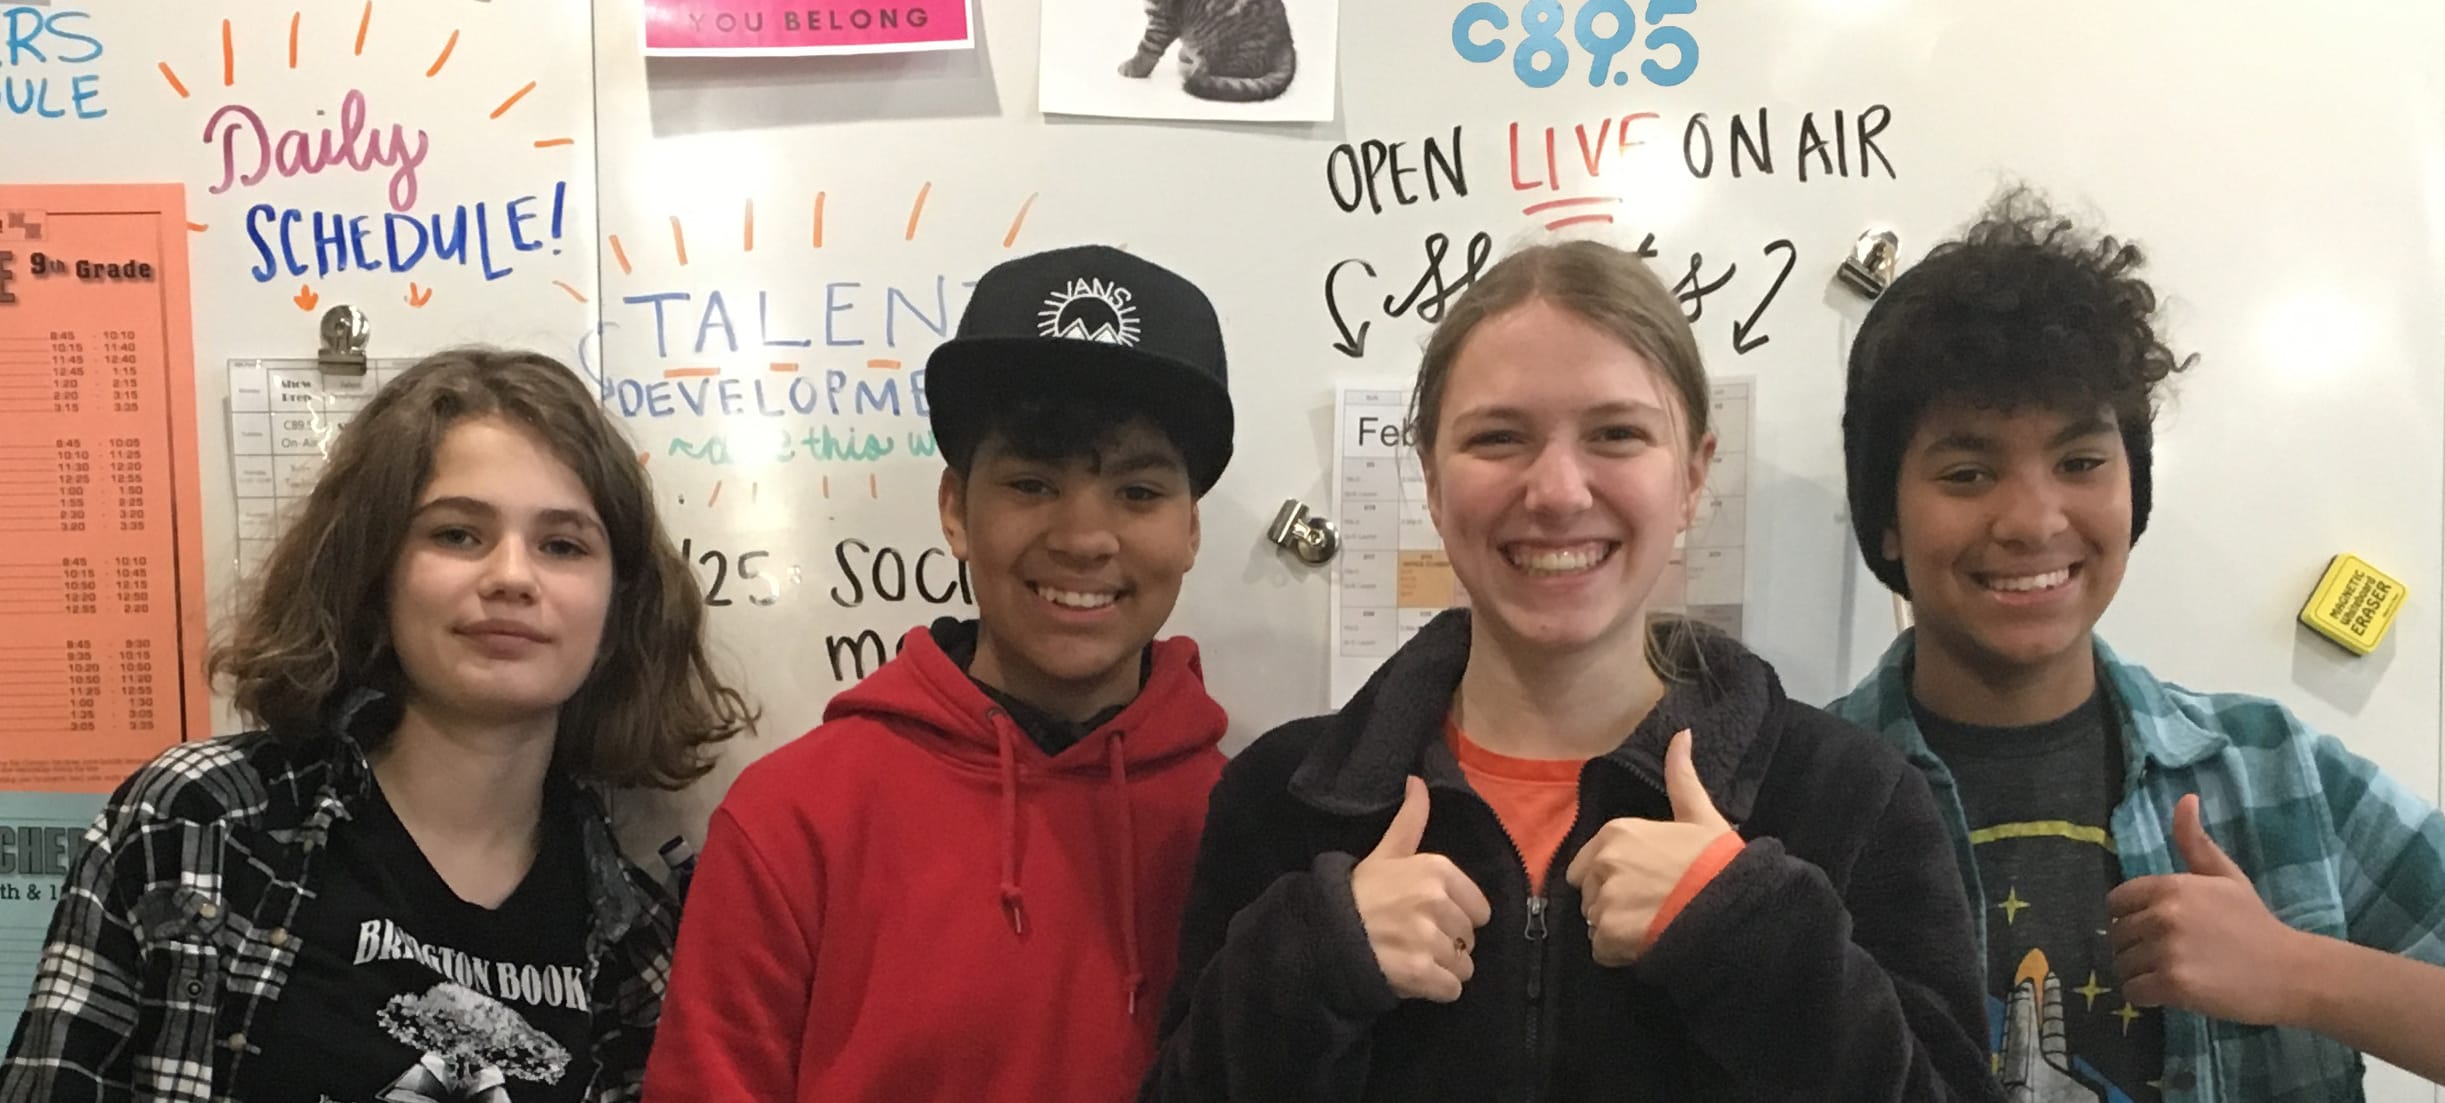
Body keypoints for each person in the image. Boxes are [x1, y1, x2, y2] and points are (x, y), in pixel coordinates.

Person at [1141, 239, 1997, 1101]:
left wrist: (1749, 934)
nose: (1556, 491)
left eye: (1616, 433)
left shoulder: (1850, 798)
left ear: (1692, 476)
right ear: (1432, 483)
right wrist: (1312, 967)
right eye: (1498, 436)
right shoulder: (1281, 801)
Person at [0, 347, 755, 1103]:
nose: (512, 577)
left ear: (617, 606)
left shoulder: (642, 929)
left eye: (562, 545)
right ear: (375, 569)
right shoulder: (200, 823)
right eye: (457, 534)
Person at [1831, 187, 2445, 1100]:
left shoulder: (2274, 770)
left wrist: (2299, 973)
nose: (2034, 521)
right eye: (1966, 472)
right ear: (1885, 518)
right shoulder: (1804, 800)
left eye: (2080, 462)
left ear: (2132, 489)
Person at [643, 244, 1236, 1102]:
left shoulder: (1244, 826)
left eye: (1138, 492)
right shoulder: (793, 819)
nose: (1083, 536)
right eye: (1032, 484)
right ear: (956, 510)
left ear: (1189, 529)